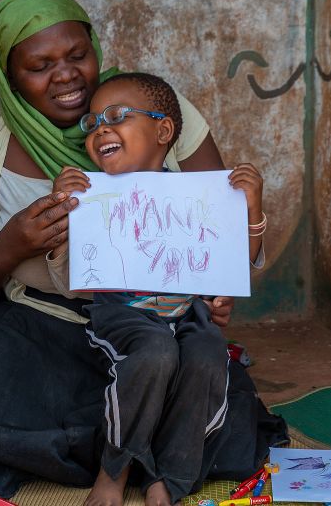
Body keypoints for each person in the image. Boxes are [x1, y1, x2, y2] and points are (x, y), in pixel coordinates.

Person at [0, 0, 286, 499]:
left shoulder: (157, 110)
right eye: (39, 66)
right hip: (41, 327)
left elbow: (216, 221)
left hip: (156, 321)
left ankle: (126, 457)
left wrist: (215, 287)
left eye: (78, 55)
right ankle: (130, 457)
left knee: (208, 382)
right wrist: (9, 246)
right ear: (9, 78)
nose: (66, 74)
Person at [47, 72, 266, 506]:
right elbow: (71, 271)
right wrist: (62, 207)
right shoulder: (90, 192)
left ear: (163, 130)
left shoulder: (201, 195)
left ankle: (167, 479)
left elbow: (234, 260)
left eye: (115, 117)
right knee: (155, 353)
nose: (100, 129)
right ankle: (115, 470)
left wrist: (251, 207)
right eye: (92, 124)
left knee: (206, 358)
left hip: (187, 314)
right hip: (125, 314)